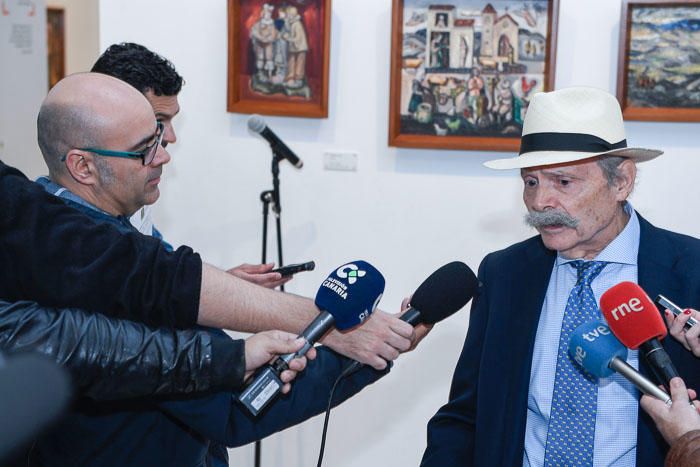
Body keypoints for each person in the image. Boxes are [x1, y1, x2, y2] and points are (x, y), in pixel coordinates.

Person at [21, 71, 414, 465]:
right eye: (144, 148)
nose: (163, 154)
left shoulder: (50, 239)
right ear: (83, 167)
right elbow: (234, 410)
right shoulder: (112, 275)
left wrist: (218, 293)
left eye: (158, 136)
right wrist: (363, 349)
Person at [421, 86, 700, 467]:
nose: (539, 203)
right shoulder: (504, 274)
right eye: (530, 182)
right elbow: (466, 416)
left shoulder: (692, 271)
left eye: (563, 182)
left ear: (621, 181)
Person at [91, 42, 287, 289]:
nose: (171, 137)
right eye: (159, 121)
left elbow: (164, 271)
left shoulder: (132, 191)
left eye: (172, 121)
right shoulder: (74, 235)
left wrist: (224, 285)